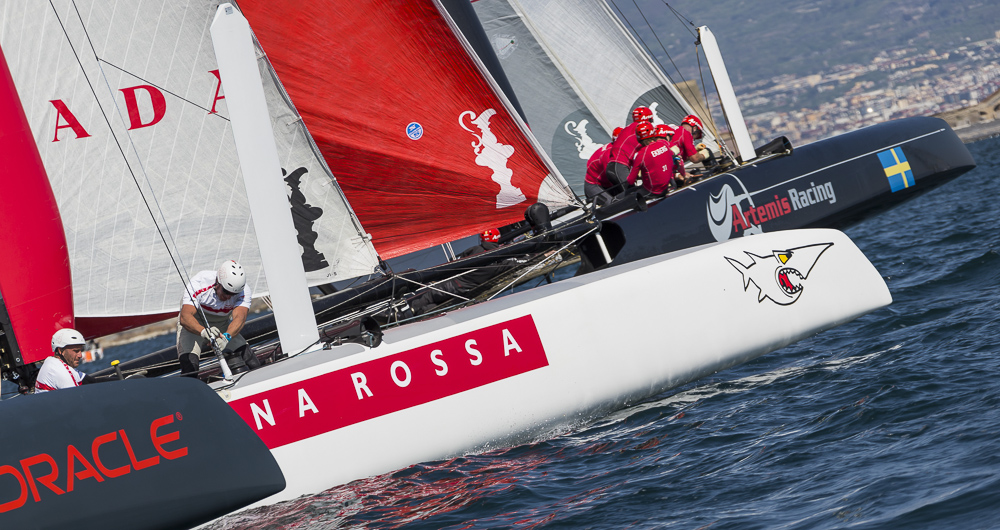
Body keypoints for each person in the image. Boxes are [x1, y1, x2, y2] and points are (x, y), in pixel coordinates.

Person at [408, 229, 530, 316]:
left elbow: (455, 260)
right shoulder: (501, 261)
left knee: (429, 297)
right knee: (439, 307)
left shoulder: (475, 249)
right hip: (465, 291)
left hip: (451, 284)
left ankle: (409, 311)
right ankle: (420, 313)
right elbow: (517, 262)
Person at [177, 259, 258, 377]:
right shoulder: (199, 282)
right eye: (225, 291)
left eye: (233, 294)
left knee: (252, 362)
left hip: (222, 325)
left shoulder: (243, 291)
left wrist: (226, 337)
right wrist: (203, 331)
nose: (228, 296)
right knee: (190, 369)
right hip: (194, 325)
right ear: (217, 282)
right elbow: (185, 317)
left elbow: (239, 318)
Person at [605, 107, 654, 192]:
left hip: (615, 166)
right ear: (647, 119)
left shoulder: (630, 128)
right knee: (633, 194)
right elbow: (652, 148)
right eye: (650, 121)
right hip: (620, 167)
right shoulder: (640, 129)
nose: (651, 124)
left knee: (629, 193)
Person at [626, 121, 679, 198]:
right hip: (667, 186)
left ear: (638, 138)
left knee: (620, 198)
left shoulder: (641, 154)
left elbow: (630, 181)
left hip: (653, 192)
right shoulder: (664, 145)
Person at [35, 328, 96, 392]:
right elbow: (78, 396)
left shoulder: (53, 362)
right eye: (76, 351)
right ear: (60, 350)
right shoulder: (59, 370)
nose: (80, 355)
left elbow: (90, 380)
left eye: (81, 350)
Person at [583, 127, 622, 206]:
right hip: (594, 186)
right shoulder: (609, 155)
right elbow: (614, 176)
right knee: (614, 205)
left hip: (608, 184)